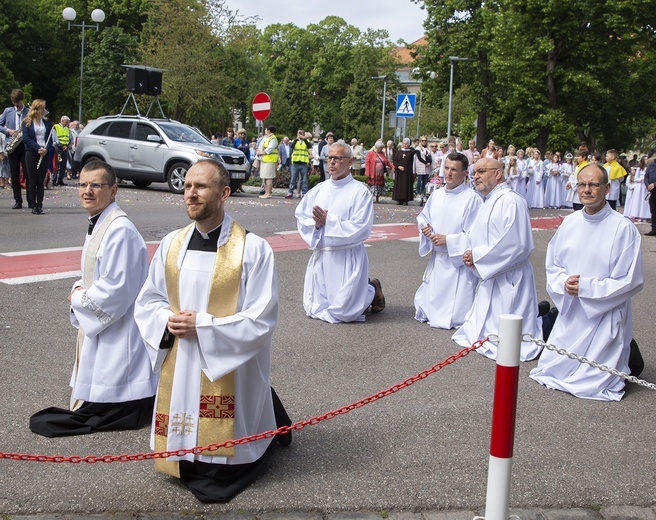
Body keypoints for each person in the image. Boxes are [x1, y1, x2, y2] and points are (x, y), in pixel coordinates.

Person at [134, 159, 291, 503]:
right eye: (188, 186)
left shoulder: (252, 249)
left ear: (224, 193)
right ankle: (183, 453)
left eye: (201, 187)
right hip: (180, 357)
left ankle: (222, 455)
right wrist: (165, 319)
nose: (191, 194)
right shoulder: (171, 245)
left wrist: (202, 326)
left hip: (226, 366)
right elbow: (149, 300)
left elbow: (261, 318)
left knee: (224, 439)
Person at [29, 160, 156, 437]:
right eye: (83, 184)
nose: (87, 191)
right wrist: (80, 286)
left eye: (96, 185)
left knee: (112, 394)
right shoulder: (100, 222)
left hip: (121, 328)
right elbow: (95, 275)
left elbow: (116, 290)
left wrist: (77, 297)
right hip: (108, 323)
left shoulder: (119, 229)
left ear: (113, 190)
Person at [530, 164, 644, 401]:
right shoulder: (570, 223)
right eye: (582, 184)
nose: (587, 190)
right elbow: (554, 265)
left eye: (594, 184)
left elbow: (630, 280)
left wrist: (587, 287)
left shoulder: (623, 227)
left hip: (604, 312)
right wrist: (563, 282)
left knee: (595, 380)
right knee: (552, 369)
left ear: (607, 188)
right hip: (572, 311)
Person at [451, 158, 543, 361]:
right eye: (474, 173)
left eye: (481, 171)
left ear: (498, 173)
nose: (475, 177)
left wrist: (478, 256)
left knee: (509, 338)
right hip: (492, 274)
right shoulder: (489, 200)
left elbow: (516, 244)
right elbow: (480, 236)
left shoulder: (511, 201)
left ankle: (546, 319)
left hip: (510, 275)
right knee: (483, 332)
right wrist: (470, 253)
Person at [295, 141, 385, 323]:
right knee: (314, 308)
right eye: (330, 158)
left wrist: (329, 221)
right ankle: (366, 289)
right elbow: (302, 216)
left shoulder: (360, 192)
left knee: (346, 312)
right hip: (324, 254)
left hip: (348, 256)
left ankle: (372, 288)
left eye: (338, 158)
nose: (332, 162)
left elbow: (362, 227)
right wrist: (317, 225)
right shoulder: (318, 190)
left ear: (350, 161)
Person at [414, 153, 482, 329]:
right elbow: (423, 217)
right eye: (446, 168)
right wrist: (425, 228)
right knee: (431, 306)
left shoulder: (472, 199)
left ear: (465, 173)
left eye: (454, 169)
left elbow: (476, 234)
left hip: (456, 261)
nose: (449, 173)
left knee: (455, 313)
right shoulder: (437, 195)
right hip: (438, 259)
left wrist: (448, 240)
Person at [21, 99, 53, 215]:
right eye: (43, 108)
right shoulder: (27, 122)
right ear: (38, 109)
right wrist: (38, 148)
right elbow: (26, 139)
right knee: (32, 179)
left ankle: (40, 204)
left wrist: (46, 149)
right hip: (32, 153)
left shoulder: (47, 122)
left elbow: (50, 138)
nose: (45, 110)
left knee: (41, 180)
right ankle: (33, 205)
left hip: (44, 153)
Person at [0, 89, 29, 209]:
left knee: (28, 174)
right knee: (14, 174)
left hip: (25, 144)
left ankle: (31, 200)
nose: (15, 104)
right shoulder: (8, 111)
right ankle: (18, 200)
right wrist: (8, 131)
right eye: (13, 102)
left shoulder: (28, 111)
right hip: (12, 145)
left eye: (17, 102)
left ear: (22, 100)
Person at [286, 129, 311, 199]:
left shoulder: (307, 141)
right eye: (299, 133)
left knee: (304, 179)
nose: (300, 134)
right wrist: (296, 139)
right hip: (295, 162)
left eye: (302, 133)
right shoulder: (294, 141)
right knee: (293, 179)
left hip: (304, 162)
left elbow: (309, 146)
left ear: (304, 134)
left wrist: (304, 139)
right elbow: (291, 146)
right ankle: (290, 192)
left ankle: (304, 193)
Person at [257, 125, 278, 199]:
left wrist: (261, 153)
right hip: (265, 159)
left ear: (269, 130)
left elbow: (269, 149)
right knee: (265, 177)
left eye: (266, 129)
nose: (265, 131)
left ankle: (268, 193)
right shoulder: (267, 137)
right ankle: (266, 192)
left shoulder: (273, 138)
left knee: (269, 177)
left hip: (270, 160)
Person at [393, 138, 414, 205]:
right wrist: (398, 166)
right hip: (399, 172)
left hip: (407, 172)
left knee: (406, 184)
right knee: (399, 185)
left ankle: (406, 199)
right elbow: (395, 160)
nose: (405, 145)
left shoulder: (411, 152)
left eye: (406, 143)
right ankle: (399, 199)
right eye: (404, 143)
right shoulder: (399, 152)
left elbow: (414, 152)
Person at [51, 115, 71, 186]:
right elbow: (54, 138)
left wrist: (67, 145)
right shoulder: (55, 127)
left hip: (65, 148)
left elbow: (68, 138)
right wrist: (60, 145)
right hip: (57, 147)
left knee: (63, 165)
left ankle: (60, 180)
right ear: (62, 121)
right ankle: (54, 180)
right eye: (66, 122)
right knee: (56, 164)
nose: (68, 123)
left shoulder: (66, 129)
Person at [414, 135, 432, 206]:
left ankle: (423, 194)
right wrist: (425, 163)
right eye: (422, 141)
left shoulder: (427, 149)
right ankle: (418, 193)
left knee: (425, 182)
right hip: (420, 166)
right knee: (419, 180)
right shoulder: (418, 148)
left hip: (427, 167)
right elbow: (419, 157)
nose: (424, 142)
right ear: (420, 141)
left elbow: (430, 157)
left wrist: (429, 163)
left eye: (425, 140)